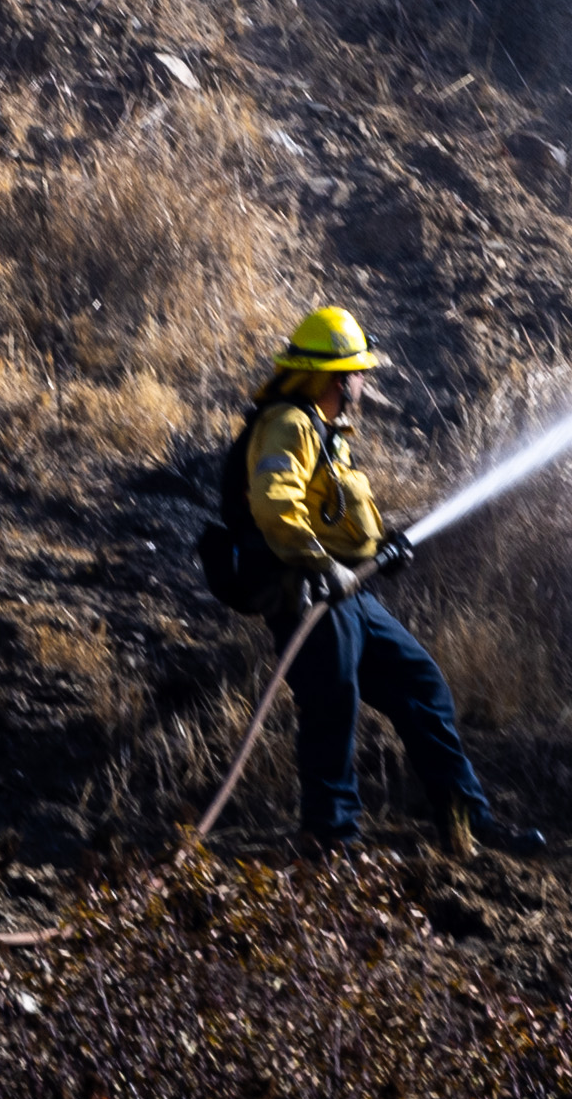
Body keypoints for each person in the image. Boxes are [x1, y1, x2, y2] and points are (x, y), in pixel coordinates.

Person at [233, 306, 544, 859]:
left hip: (350, 593)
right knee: (334, 705)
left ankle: (466, 824)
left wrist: (381, 549)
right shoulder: (289, 424)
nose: (363, 381)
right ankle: (331, 842)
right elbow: (273, 501)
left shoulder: (327, 431)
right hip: (310, 597)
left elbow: (335, 514)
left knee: (420, 684)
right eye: (357, 372)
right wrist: (320, 564)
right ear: (335, 377)